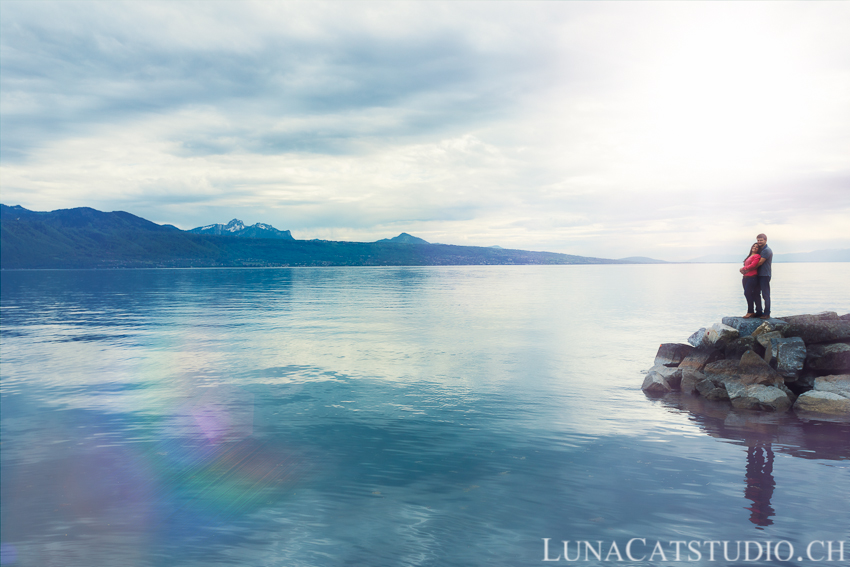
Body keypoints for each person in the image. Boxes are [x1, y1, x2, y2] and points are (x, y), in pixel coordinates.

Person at [740, 234, 773, 319]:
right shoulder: (760, 250)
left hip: (764, 275)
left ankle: (766, 313)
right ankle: (758, 312)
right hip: (758, 275)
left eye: (761, 240)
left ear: (765, 240)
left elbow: (759, 263)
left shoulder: (767, 250)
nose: (759, 242)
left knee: (765, 294)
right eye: (758, 240)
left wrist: (747, 269)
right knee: (756, 294)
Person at [740, 243, 761, 318]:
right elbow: (747, 265)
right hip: (745, 277)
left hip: (752, 278)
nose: (755, 247)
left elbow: (753, 265)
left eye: (757, 247)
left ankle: (750, 311)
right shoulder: (749, 256)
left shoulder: (757, 256)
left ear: (758, 249)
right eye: (754, 246)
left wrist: (743, 269)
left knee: (747, 293)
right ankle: (751, 311)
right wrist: (743, 271)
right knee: (747, 294)